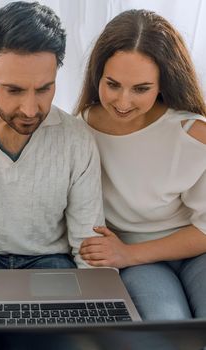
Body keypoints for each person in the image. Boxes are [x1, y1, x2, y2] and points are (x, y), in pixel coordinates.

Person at [0, 1, 104, 322]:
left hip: (48, 260)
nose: (30, 109)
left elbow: (88, 241)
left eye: (44, 89)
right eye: (13, 90)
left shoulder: (77, 139)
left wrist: (96, 318)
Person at [75, 9, 206, 320]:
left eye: (141, 89)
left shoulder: (194, 134)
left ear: (163, 83)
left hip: (194, 251)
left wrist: (129, 254)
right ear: (98, 77)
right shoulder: (78, 131)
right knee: (167, 327)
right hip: (137, 261)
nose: (122, 102)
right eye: (113, 84)